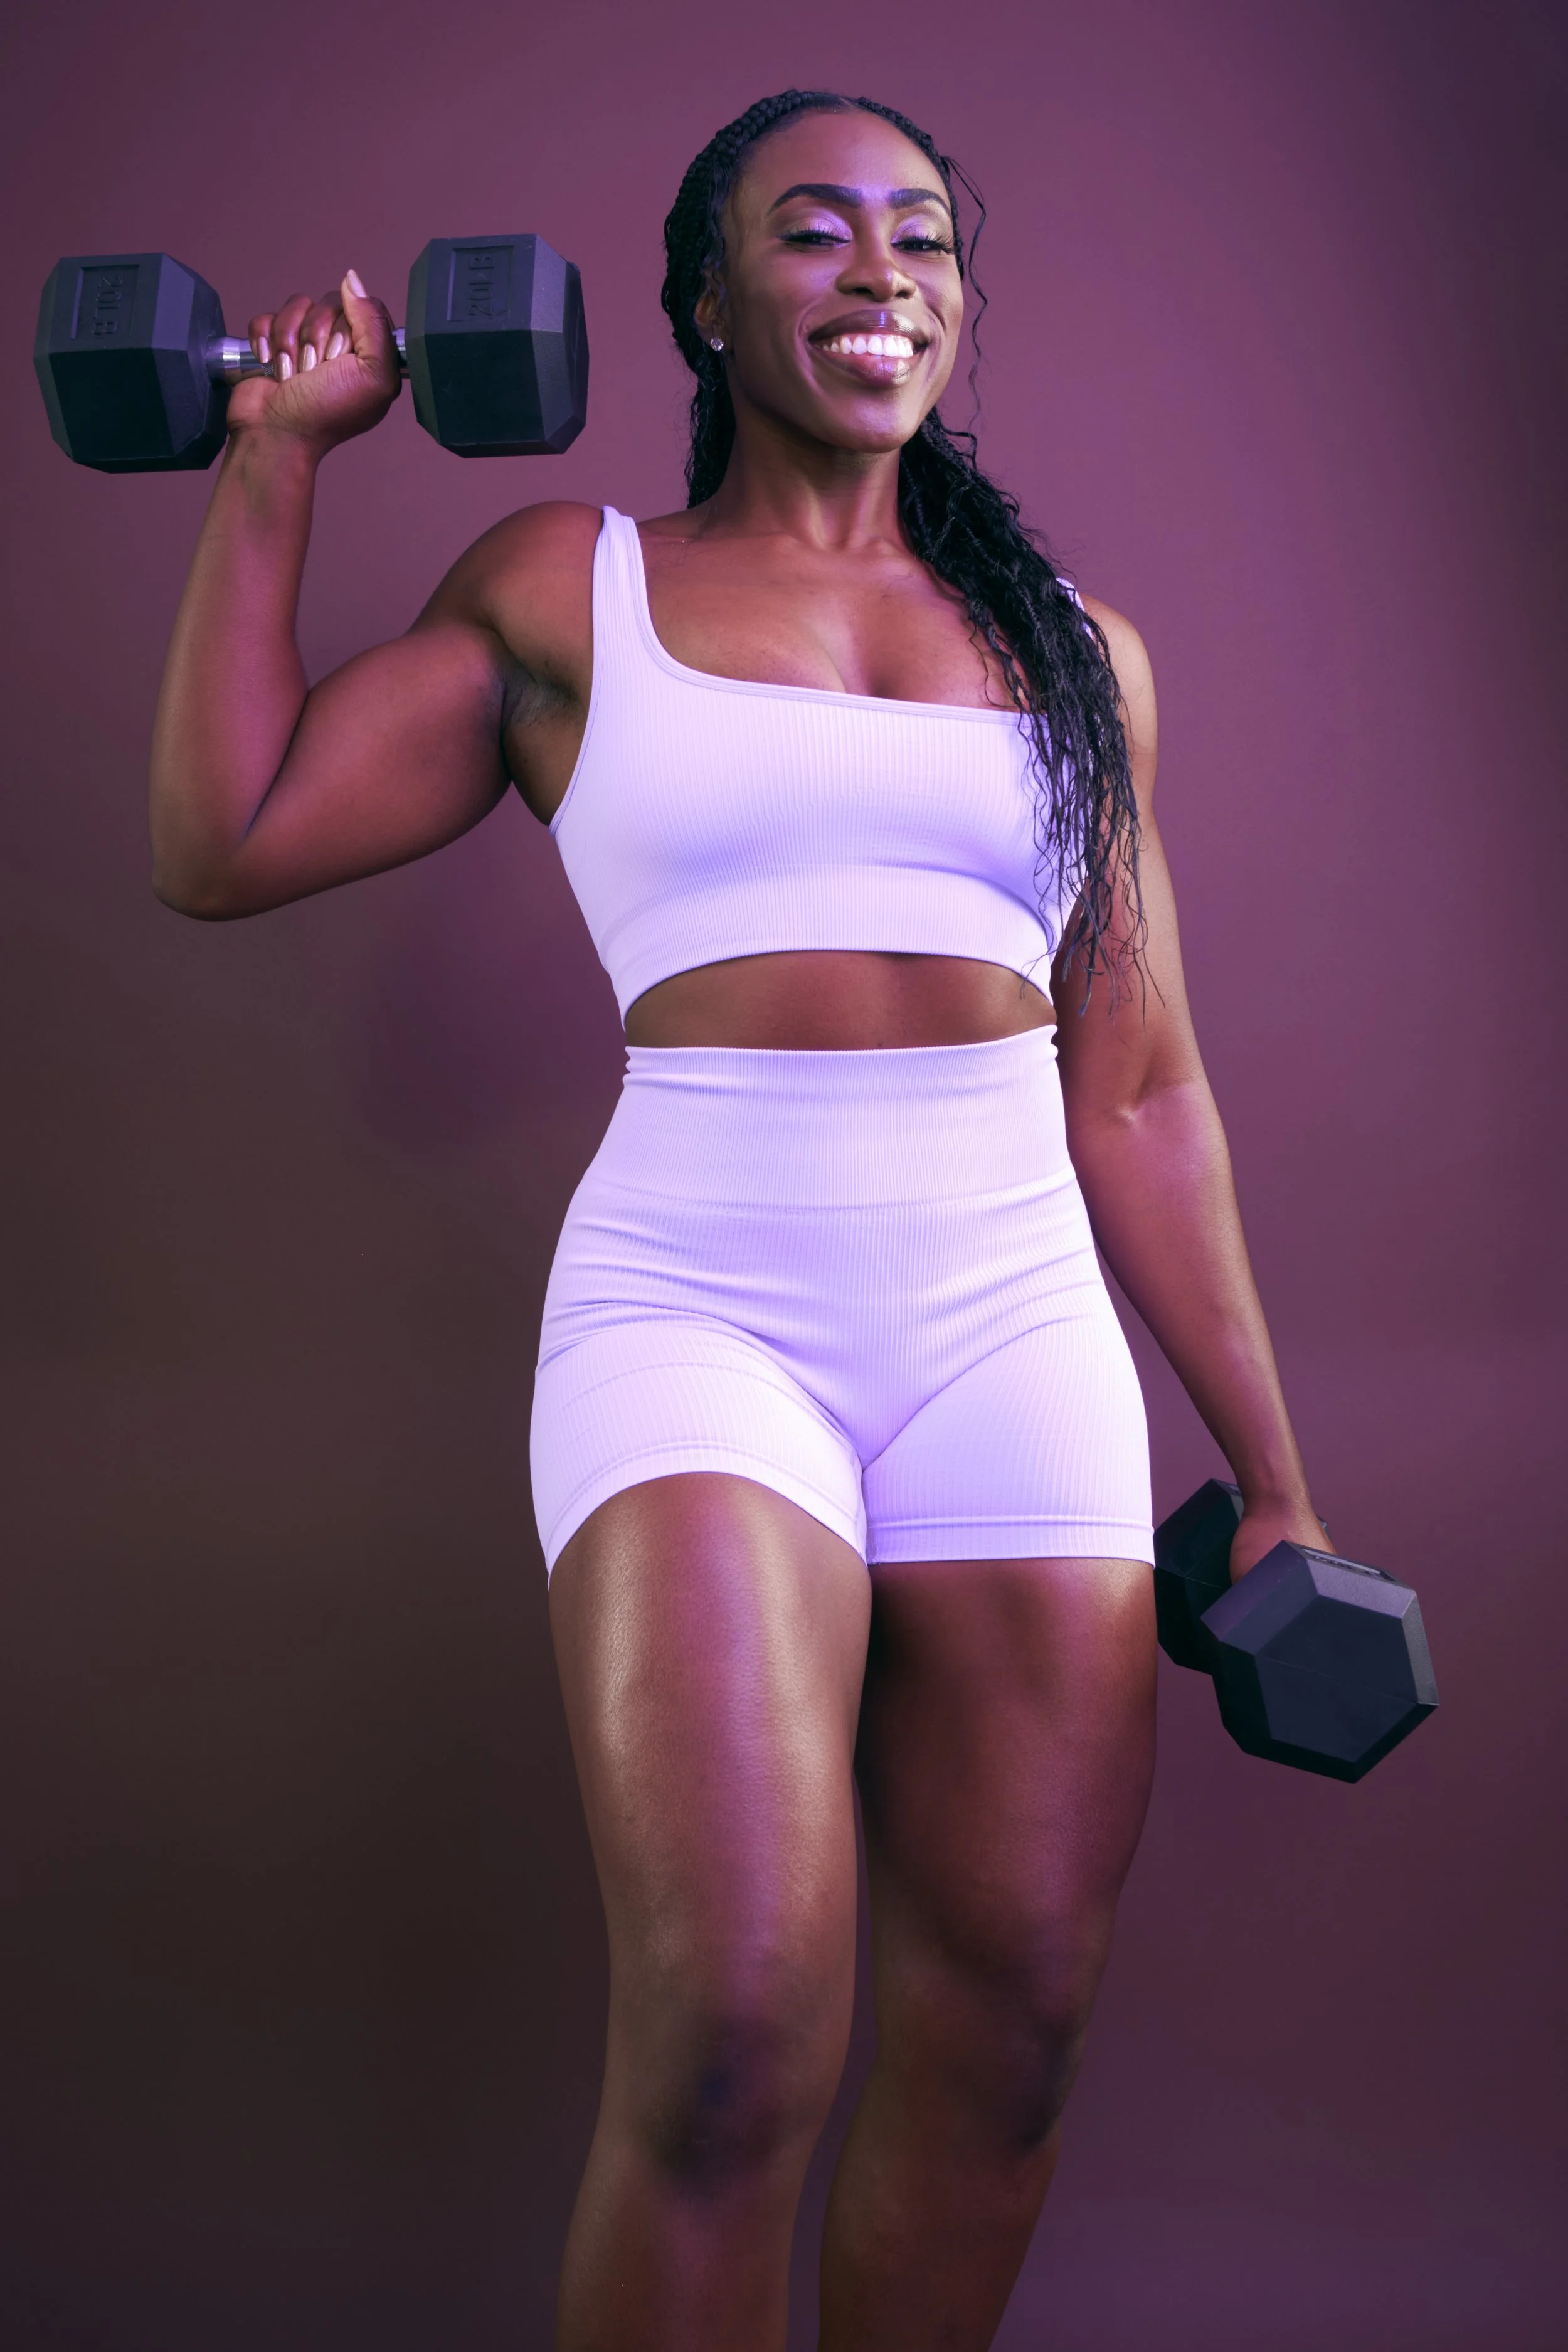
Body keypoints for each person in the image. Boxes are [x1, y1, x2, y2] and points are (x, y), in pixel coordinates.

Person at [149, 85, 1325, 2352]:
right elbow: (230, 829)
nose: (881, 267)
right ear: (702, 297)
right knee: (732, 2031)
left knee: (1010, 2036)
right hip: (705, 1301)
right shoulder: (561, 584)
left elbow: (1146, 1095)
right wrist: (275, 458)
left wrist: (1269, 1478)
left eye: (923, 237)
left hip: (1010, 1317)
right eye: (815, 230)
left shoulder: (1080, 653)